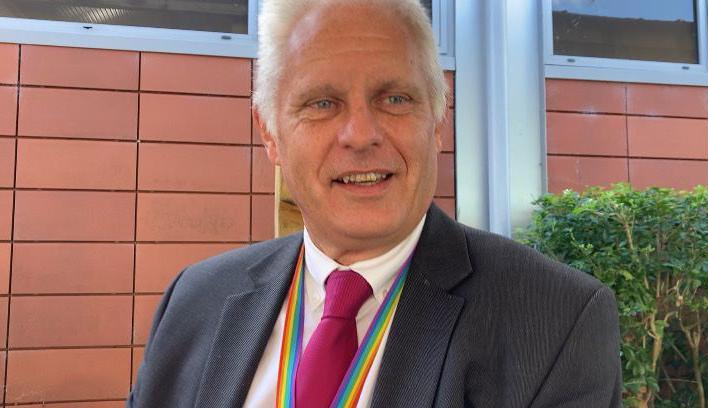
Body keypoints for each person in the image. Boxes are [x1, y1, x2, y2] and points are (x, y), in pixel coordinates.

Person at [127, 0, 622, 407]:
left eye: (395, 99)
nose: (360, 135)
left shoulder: (556, 320)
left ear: (437, 121)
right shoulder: (194, 299)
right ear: (270, 134)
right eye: (322, 103)